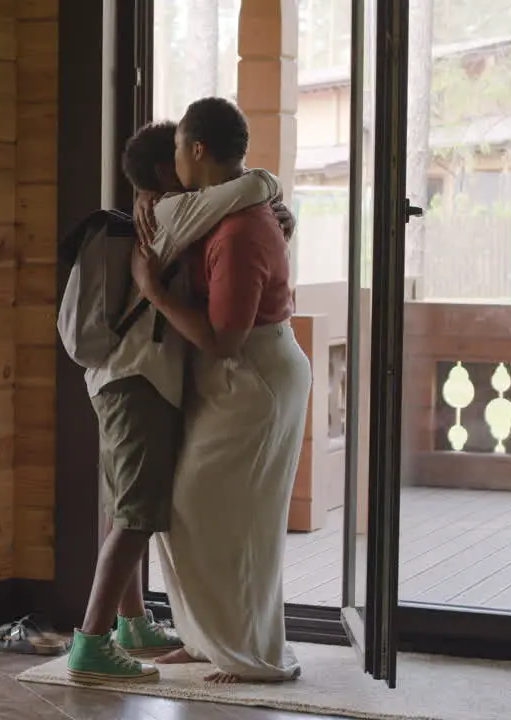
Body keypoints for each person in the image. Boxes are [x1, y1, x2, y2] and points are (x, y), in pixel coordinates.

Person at [66, 120, 288, 684]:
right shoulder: (172, 213)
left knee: (132, 506)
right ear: (172, 169)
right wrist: (270, 184)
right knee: (139, 514)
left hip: (127, 378)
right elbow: (247, 187)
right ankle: (90, 642)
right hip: (136, 379)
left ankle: (132, 625)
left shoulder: (163, 212)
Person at [131, 97, 309, 684]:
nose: (173, 160)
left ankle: (247, 654)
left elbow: (225, 339)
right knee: (194, 515)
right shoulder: (228, 206)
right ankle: (206, 639)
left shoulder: (238, 228)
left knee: (226, 520)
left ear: (198, 150)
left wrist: (155, 293)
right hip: (242, 379)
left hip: (251, 379)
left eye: (179, 148)